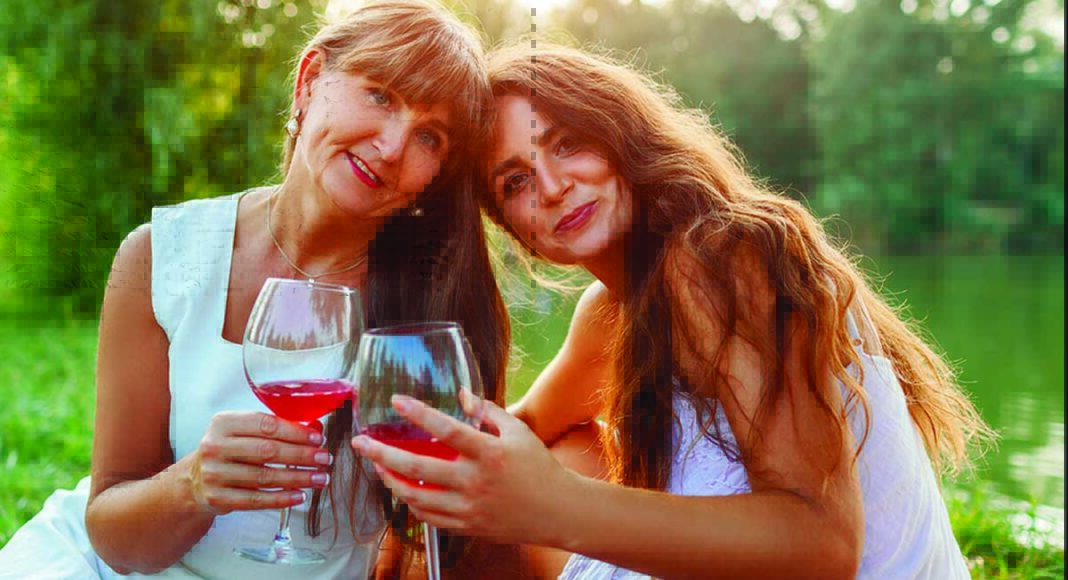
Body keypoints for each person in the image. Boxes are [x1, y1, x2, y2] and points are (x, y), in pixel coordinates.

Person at [351, 43, 994, 579]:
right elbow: (526, 426)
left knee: (497, 526)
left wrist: (550, 504)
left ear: (624, 135)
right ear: (515, 230)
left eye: (569, 144)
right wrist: (416, 512)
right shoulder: (612, 313)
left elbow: (823, 546)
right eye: (515, 181)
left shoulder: (723, 256)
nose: (551, 186)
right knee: (555, 459)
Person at [0, 2, 511, 578]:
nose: (392, 146)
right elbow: (115, 538)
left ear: (436, 174)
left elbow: (444, 532)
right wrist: (193, 485)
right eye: (380, 95)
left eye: (429, 137)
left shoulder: (435, 309)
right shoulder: (159, 257)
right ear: (310, 80)